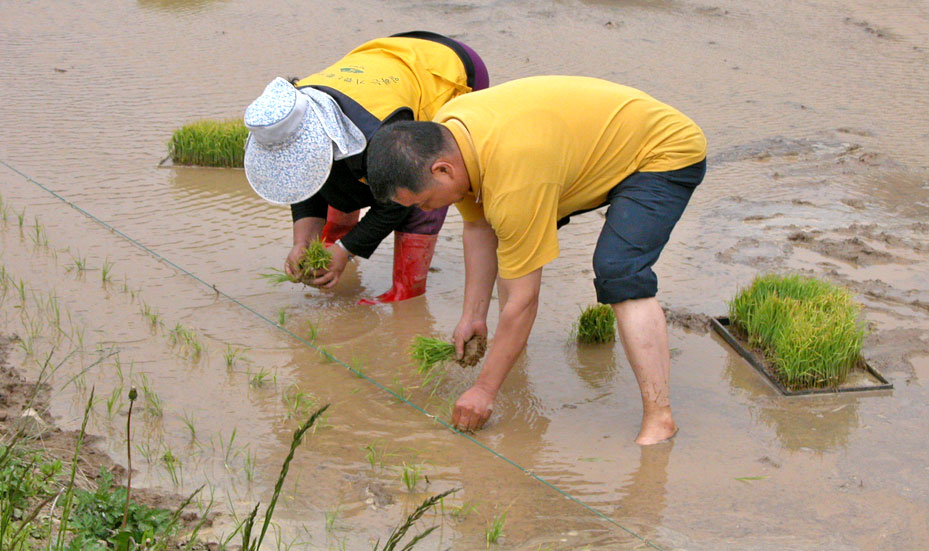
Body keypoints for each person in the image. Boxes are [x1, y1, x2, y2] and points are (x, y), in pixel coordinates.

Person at [366, 76, 706, 445]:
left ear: (442, 171)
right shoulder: (450, 135)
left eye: (422, 201)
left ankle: (660, 419)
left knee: (619, 270)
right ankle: (510, 353)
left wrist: (483, 390)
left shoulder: (514, 178)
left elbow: (524, 300)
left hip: (663, 151)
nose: (425, 211)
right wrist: (473, 315)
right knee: (508, 232)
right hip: (581, 151)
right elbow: (479, 226)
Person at [243, 31, 489, 303]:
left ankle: (407, 291)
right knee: (342, 178)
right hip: (385, 60)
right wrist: (302, 241)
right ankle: (336, 248)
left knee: (424, 192)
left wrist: (347, 249)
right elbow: (304, 177)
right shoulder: (288, 111)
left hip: (444, 69)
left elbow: (398, 203)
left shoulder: (379, 133)